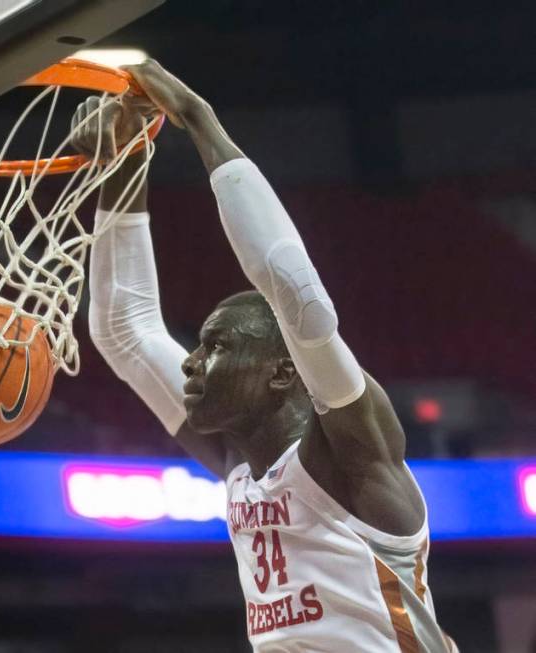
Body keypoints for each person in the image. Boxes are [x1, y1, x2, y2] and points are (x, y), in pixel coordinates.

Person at [72, 59, 458, 652]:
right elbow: (125, 331)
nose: (191, 362)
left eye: (216, 346)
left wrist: (199, 121)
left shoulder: (351, 457)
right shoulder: (240, 468)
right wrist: (122, 164)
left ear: (283, 373)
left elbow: (295, 294)